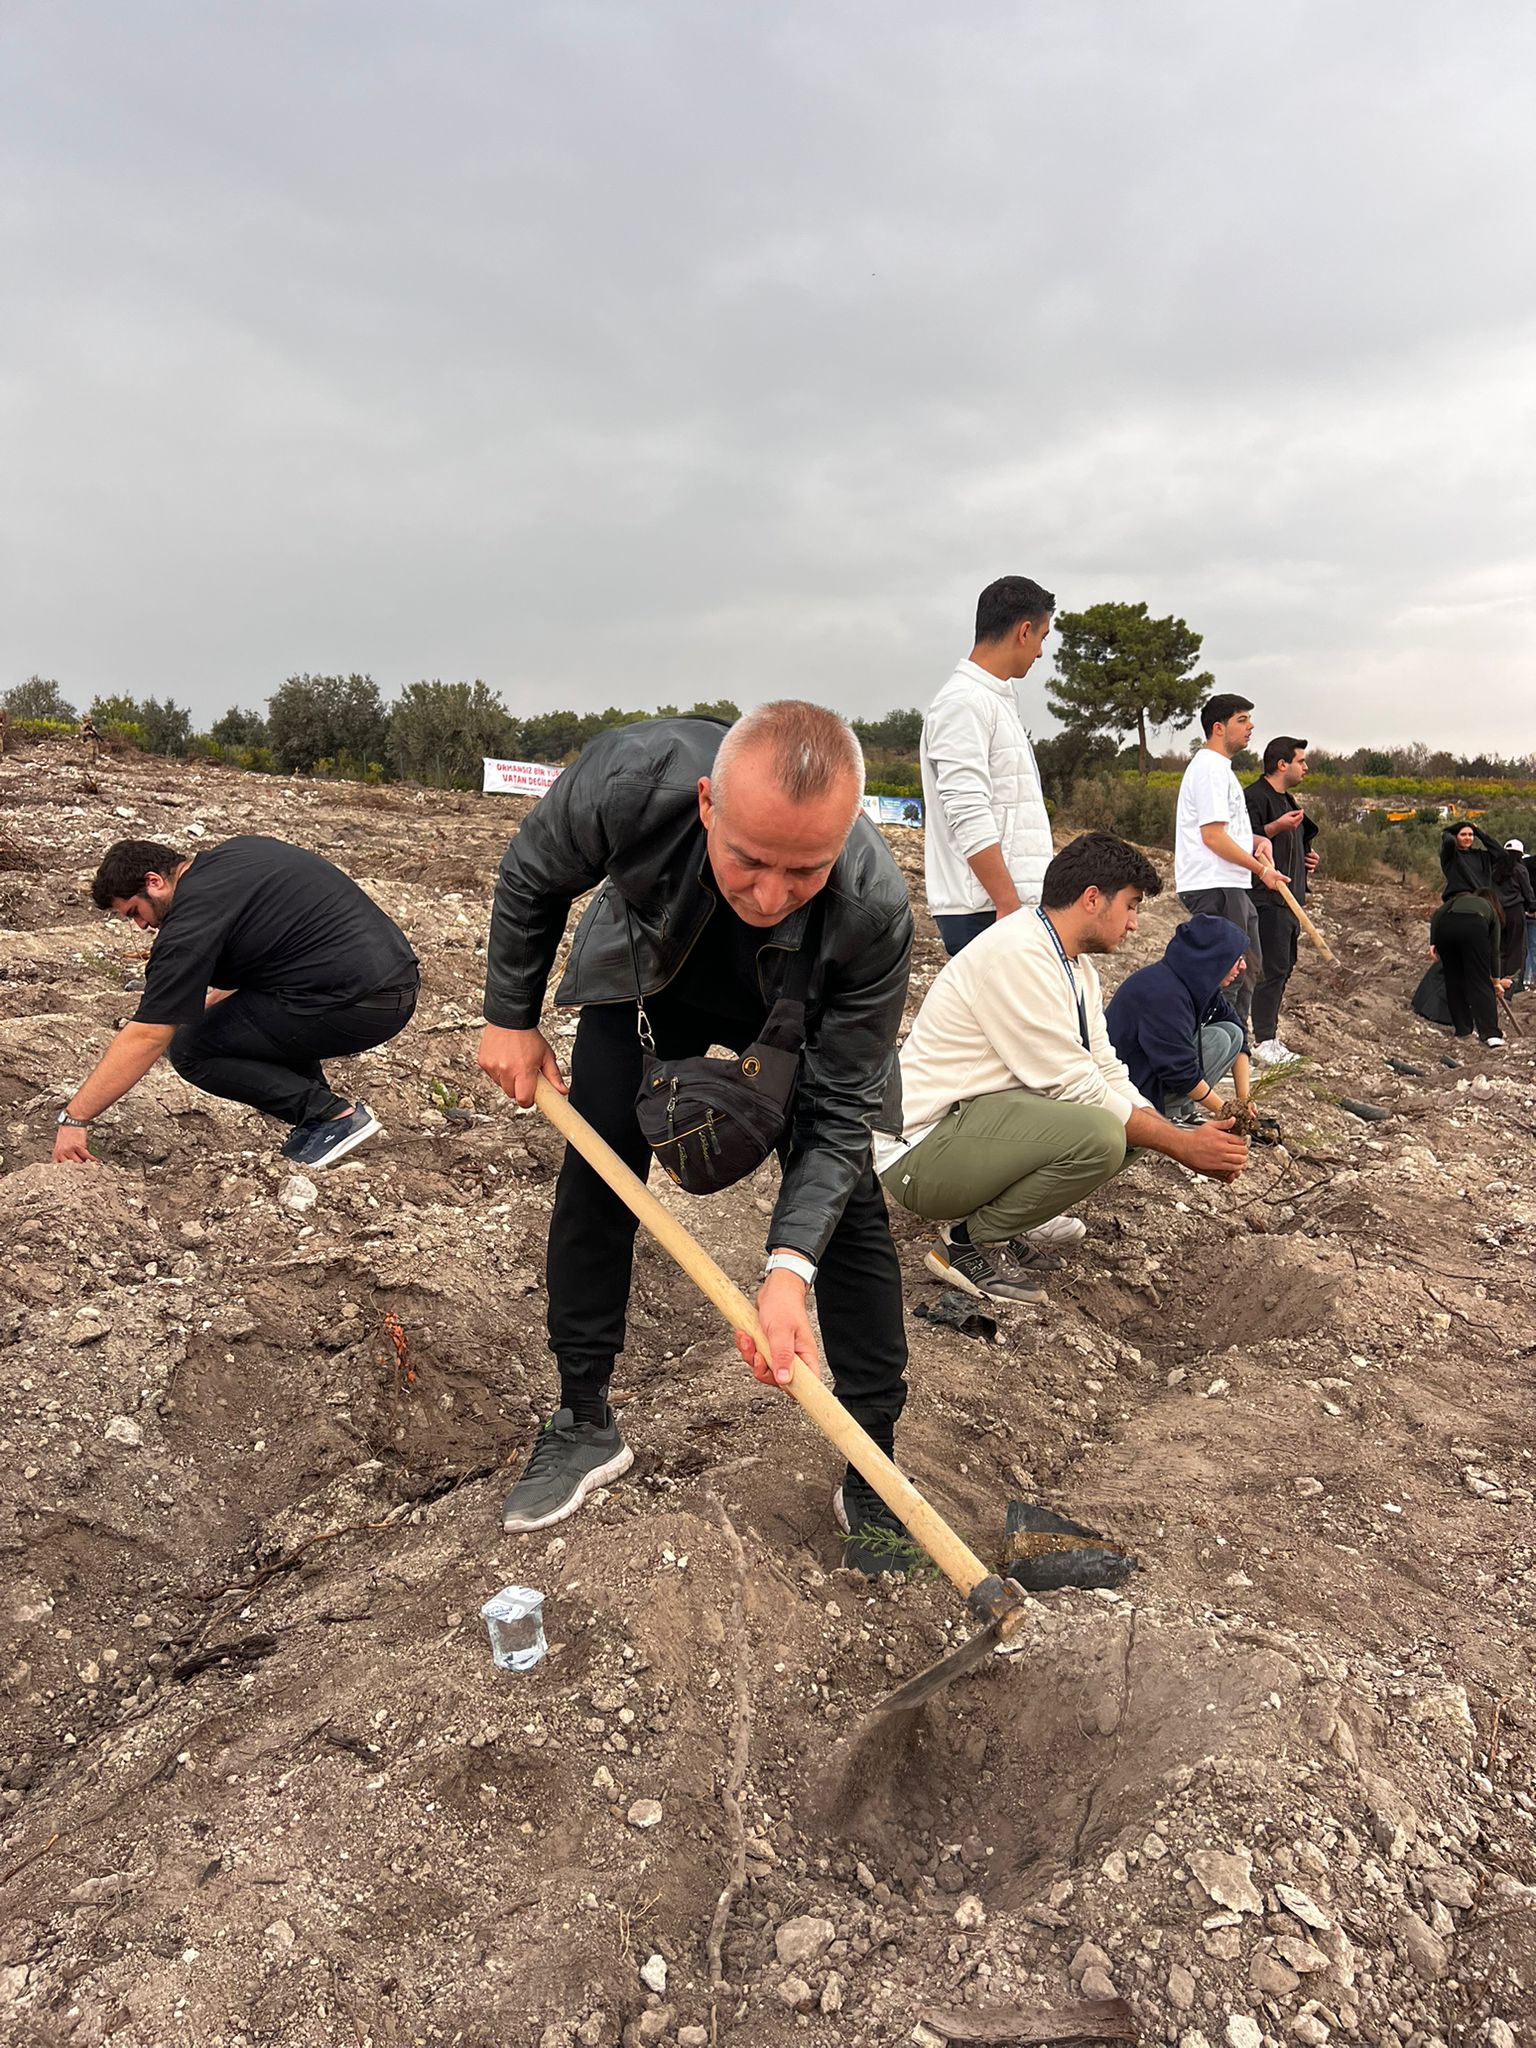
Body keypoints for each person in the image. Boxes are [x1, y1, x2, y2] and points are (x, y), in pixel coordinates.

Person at [477, 703, 916, 1573]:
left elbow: (837, 1114)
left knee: (851, 1208)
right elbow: (532, 873)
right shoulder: (632, 781)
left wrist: (787, 1271)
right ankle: (582, 1417)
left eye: (805, 870)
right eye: (749, 859)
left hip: (797, 1005)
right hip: (652, 972)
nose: (769, 895)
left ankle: (871, 1455)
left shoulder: (872, 908)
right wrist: (509, 1017)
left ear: (844, 839)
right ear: (709, 803)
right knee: (599, 1168)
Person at [873, 833, 1249, 1307]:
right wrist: (1181, 1144)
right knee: (1106, 1133)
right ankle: (965, 1245)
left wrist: (1169, 1131)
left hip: (971, 1128)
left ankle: (1003, 1226)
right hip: (921, 1153)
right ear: (1092, 898)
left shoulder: (1075, 967)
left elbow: (1105, 1068)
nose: (1134, 924)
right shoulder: (1018, 955)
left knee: (1136, 1126)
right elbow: (1076, 1086)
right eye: (1131, 906)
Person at [54, 837, 418, 1169]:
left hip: (360, 1004)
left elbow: (148, 1035)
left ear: (154, 882)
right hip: (394, 978)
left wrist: (75, 1118)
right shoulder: (238, 854)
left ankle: (332, 1117)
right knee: (234, 1020)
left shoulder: (188, 923)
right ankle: (321, 1119)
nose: (141, 926)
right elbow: (276, 948)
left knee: (192, 1047)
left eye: (134, 912)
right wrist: (207, 1003)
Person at [919, 575, 1055, 956]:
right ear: (1024, 631)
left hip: (998, 906)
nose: (1040, 652)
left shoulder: (990, 699)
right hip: (985, 909)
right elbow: (967, 808)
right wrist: (1008, 902)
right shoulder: (964, 702)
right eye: (1042, 637)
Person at [1174, 693, 1282, 1029]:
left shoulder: (1221, 769)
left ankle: (1236, 1046)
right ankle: (1215, 1048)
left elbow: (1224, 832)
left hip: (1230, 885)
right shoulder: (1209, 769)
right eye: (1242, 720)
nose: (1251, 726)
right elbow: (1212, 837)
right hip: (1214, 885)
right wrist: (1261, 869)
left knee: (1247, 969)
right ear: (1218, 728)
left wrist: (1256, 841)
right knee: (1228, 975)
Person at [1106, 915, 1254, 1125]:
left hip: (1149, 1079)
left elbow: (1239, 1030)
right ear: (1214, 958)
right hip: (1127, 1090)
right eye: (1236, 959)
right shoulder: (1164, 993)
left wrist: (1243, 1100)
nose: (1243, 966)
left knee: (1232, 1033)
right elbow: (1179, 1070)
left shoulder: (1198, 985)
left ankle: (1183, 1111)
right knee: (1219, 1039)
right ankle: (1166, 1112)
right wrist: (1226, 1112)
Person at [1244, 735, 1320, 1064]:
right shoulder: (1254, 798)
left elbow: (1291, 848)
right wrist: (1274, 827)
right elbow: (1242, 841)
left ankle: (1268, 1037)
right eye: (1301, 761)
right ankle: (1263, 1040)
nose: (1306, 767)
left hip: (1291, 902)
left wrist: (1307, 858)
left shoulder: (1289, 801)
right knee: (1270, 969)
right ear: (1281, 764)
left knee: (1284, 968)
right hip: (1266, 898)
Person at [1428, 888, 1507, 1047]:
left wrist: (1433, 942)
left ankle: (1463, 1030)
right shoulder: (1491, 912)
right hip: (1473, 929)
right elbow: (1494, 952)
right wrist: (1496, 982)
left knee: (1453, 979)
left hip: (1446, 929)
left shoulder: (1459, 899)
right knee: (1480, 981)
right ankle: (1491, 1034)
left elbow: (1437, 915)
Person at [1492, 842, 1535, 991]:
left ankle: (1499, 980)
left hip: (1497, 911)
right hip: (1515, 911)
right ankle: (1514, 984)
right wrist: (1532, 908)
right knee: (1516, 948)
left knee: (1500, 948)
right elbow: (1527, 891)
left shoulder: (1495, 869)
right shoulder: (1519, 869)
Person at [1439, 819, 1501, 900]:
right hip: (1460, 898)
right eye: (1463, 835)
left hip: (1483, 898)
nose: (1467, 838)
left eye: (1470, 834)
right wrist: (1446, 832)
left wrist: (1479, 832)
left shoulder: (1481, 855)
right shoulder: (1451, 856)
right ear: (1455, 836)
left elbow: (1501, 854)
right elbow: (1449, 841)